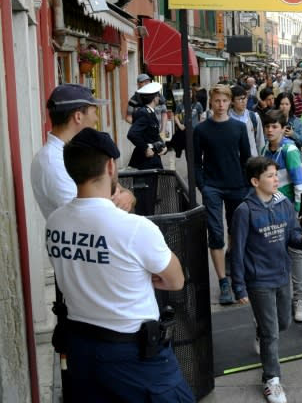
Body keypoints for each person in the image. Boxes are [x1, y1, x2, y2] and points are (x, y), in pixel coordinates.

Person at [46, 127, 193, 401]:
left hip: (81, 349)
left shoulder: (55, 222)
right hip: (133, 354)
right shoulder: (135, 228)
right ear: (111, 166)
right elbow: (175, 280)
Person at [230, 157, 302, 403]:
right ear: (255, 181)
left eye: (276, 175)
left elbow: (292, 235)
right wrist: (239, 286)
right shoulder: (244, 211)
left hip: (281, 274)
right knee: (272, 334)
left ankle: (261, 331)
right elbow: (237, 251)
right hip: (259, 281)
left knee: (284, 323)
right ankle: (271, 380)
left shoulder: (284, 203)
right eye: (270, 176)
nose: (276, 179)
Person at [31, 84, 135, 219]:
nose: (96, 119)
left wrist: (128, 195)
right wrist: (125, 197)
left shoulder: (79, 150)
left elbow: (114, 187)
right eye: (94, 113)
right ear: (78, 117)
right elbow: (86, 214)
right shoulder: (52, 161)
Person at [193, 84, 251, 305]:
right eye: (217, 101)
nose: (220, 105)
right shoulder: (201, 129)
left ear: (230, 102)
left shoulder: (239, 128)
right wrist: (202, 185)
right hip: (213, 187)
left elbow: (246, 158)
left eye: (224, 101)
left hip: (237, 185)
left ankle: (237, 275)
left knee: (237, 232)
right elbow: (196, 161)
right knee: (216, 233)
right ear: (211, 101)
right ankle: (223, 281)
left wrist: (248, 184)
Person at [261, 110, 302, 322]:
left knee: (295, 253)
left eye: (274, 126)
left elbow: (300, 184)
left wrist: (297, 212)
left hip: (289, 211)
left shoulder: (289, 150)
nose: (270, 130)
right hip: (270, 210)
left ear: (283, 128)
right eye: (267, 126)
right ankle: (284, 299)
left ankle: (300, 300)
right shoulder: (264, 149)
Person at [127, 81, 168, 216]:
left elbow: (153, 134)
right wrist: (145, 148)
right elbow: (132, 134)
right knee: (145, 198)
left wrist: (162, 146)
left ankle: (149, 219)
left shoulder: (149, 112)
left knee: (150, 197)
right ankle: (146, 221)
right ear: (154, 97)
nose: (159, 98)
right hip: (145, 162)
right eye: (157, 95)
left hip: (151, 160)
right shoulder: (144, 113)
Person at [229, 85, 266, 157]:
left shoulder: (254, 117)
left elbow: (260, 141)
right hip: (234, 161)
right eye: (240, 99)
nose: (243, 101)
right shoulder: (227, 118)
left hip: (252, 160)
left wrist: (261, 161)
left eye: (245, 98)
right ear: (232, 101)